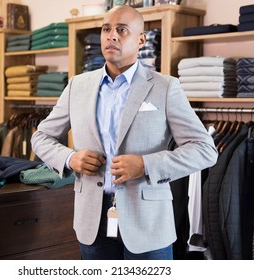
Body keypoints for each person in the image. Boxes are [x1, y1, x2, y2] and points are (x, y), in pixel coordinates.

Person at [31, 5, 218, 260]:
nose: (112, 36)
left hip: (148, 224)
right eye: (106, 29)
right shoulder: (78, 86)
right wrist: (69, 158)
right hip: (92, 222)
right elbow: (40, 137)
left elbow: (205, 149)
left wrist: (146, 165)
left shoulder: (165, 87)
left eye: (122, 30)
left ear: (141, 40)